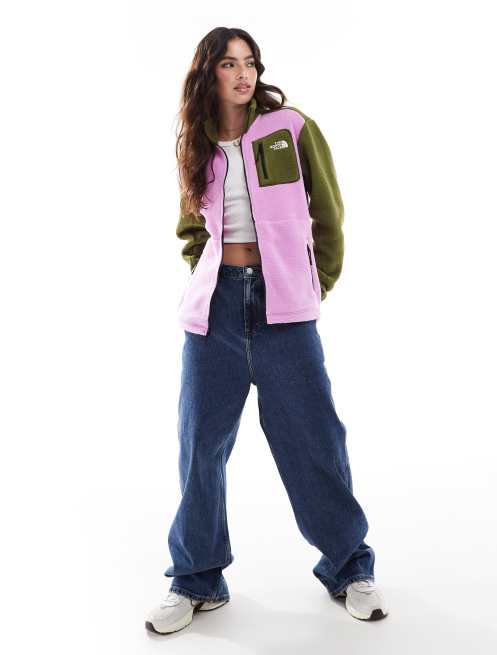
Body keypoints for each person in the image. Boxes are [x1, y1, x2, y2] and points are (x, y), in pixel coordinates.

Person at [145, 27, 389, 635]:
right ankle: (196, 580)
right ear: (208, 73)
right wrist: (209, 275)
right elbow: (191, 228)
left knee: (314, 440)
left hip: (286, 310)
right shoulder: (196, 143)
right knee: (200, 446)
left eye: (250, 62)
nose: (243, 73)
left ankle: (349, 568)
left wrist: (312, 283)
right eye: (229, 64)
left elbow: (328, 213)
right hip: (215, 312)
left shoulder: (290, 128)